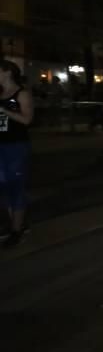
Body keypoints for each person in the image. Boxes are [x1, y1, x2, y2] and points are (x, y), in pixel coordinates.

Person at [0, 60, 34, 248]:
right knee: (3, 187)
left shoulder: (21, 94)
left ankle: (16, 230)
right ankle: (14, 224)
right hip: (1, 147)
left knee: (16, 187)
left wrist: (5, 111)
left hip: (16, 147)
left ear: (6, 72)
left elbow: (27, 120)